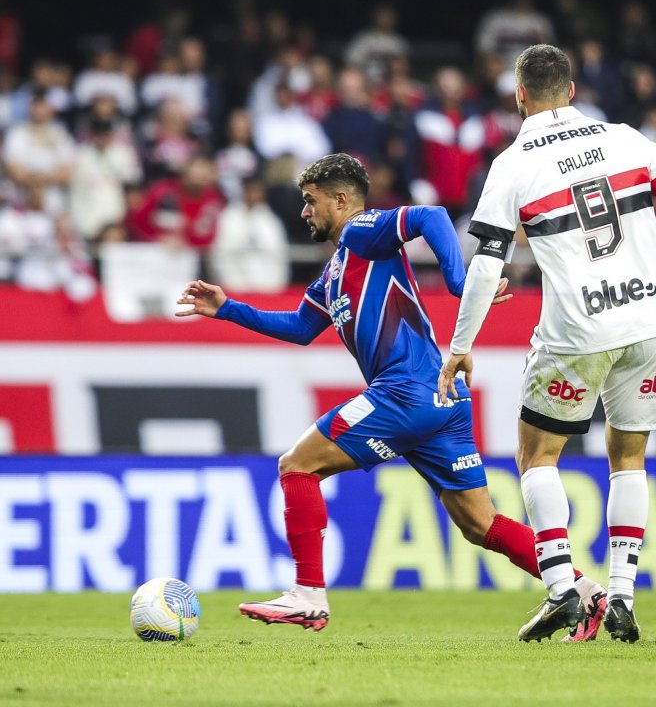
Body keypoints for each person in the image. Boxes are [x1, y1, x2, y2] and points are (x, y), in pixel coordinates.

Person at [176, 154, 607, 636]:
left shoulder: (363, 231)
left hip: (406, 391)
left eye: (310, 201)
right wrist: (227, 308)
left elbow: (431, 216)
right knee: (479, 523)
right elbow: (299, 327)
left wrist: (461, 283)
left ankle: (308, 595)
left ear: (341, 200)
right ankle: (586, 593)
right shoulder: (335, 271)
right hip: (444, 397)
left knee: (296, 466)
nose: (303, 211)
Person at [438, 44, 656, 643]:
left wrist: (461, 343)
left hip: (577, 331)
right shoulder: (622, 137)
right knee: (629, 460)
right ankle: (621, 598)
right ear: (569, 91)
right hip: (648, 322)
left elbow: (487, 263)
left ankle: (563, 588)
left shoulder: (513, 165)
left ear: (519, 96)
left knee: (538, 456)